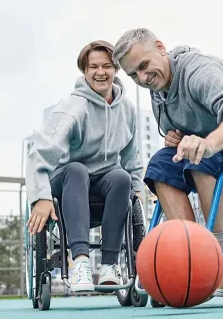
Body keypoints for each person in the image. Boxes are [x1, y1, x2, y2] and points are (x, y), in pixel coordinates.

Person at [112, 28, 223, 289]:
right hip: (218, 153)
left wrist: (207, 143)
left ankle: (221, 264)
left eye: (144, 66)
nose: (142, 78)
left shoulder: (197, 71)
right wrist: (177, 137)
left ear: (161, 48)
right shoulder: (158, 89)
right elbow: (183, 131)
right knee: (161, 165)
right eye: (133, 75)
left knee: (201, 158)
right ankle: (192, 258)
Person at [25, 40, 143, 292]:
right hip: (67, 182)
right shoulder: (72, 107)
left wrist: (138, 191)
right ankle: (80, 262)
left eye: (107, 66)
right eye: (93, 67)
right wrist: (41, 197)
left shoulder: (128, 110)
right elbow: (40, 154)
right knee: (77, 169)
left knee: (122, 177)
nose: (100, 72)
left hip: (104, 187)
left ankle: (110, 266)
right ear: (85, 71)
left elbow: (132, 158)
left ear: (116, 69)